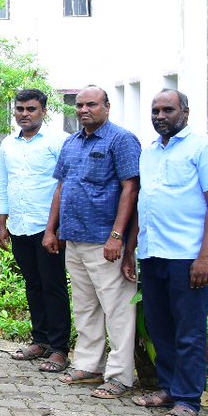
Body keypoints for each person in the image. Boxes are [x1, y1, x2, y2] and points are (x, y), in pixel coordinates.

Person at [128, 90, 208, 416]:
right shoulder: (150, 152)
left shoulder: (204, 149)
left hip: (187, 255)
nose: (159, 116)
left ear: (185, 111)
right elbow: (145, 201)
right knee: (159, 326)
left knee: (189, 330)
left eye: (167, 109)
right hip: (153, 252)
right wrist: (132, 248)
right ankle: (169, 388)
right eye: (155, 110)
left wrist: (206, 257)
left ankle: (188, 400)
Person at [44, 86, 141, 398]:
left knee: (117, 311)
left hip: (105, 242)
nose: (84, 110)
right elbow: (61, 188)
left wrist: (117, 236)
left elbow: (131, 189)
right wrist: (51, 229)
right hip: (73, 238)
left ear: (107, 107)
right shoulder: (70, 143)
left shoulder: (121, 140)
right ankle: (88, 365)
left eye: (91, 104)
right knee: (85, 308)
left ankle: (120, 377)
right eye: (80, 105)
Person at [0, 90, 70, 373]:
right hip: (20, 226)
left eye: (31, 109)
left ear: (44, 111)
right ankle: (40, 340)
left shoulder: (58, 141)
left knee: (53, 286)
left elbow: (65, 186)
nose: (24, 114)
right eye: (20, 109)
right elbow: (4, 185)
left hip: (47, 227)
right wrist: (2, 224)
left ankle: (60, 348)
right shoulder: (8, 145)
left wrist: (56, 228)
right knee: (33, 284)